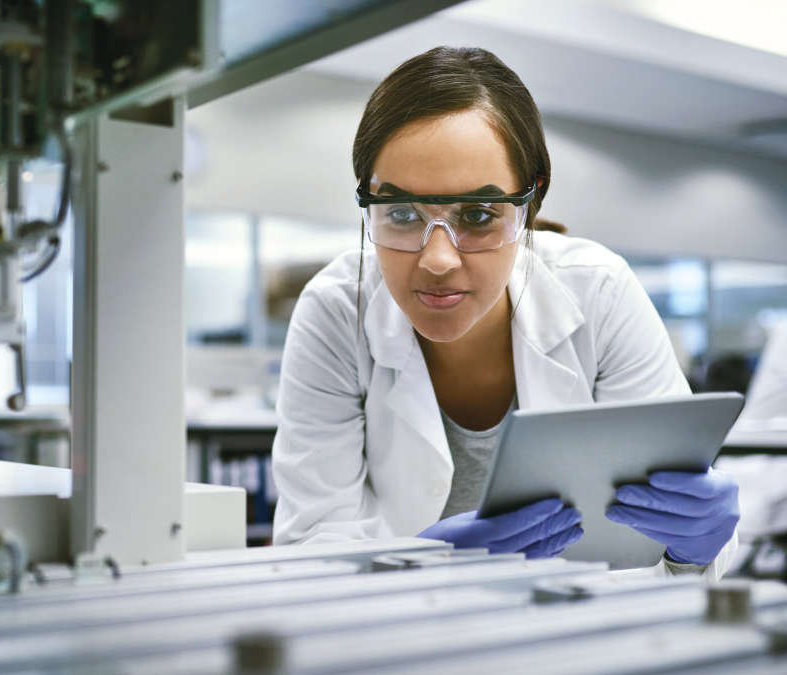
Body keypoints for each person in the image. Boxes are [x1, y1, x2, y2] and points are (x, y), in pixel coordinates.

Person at [271, 46, 739, 578]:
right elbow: (308, 553)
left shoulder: (599, 291)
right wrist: (421, 563)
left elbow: (669, 561)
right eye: (400, 212)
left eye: (477, 214)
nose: (438, 260)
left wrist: (692, 549)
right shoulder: (336, 311)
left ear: (529, 202)